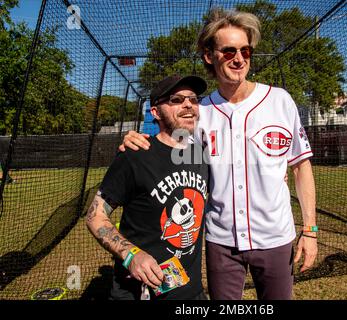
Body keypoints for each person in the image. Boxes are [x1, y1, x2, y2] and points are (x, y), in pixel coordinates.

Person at [120, 9, 317, 300]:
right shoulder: (201, 112)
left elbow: (301, 167)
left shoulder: (280, 100)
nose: (239, 58)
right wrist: (138, 139)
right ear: (209, 56)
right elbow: (169, 147)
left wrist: (310, 230)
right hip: (221, 241)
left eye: (245, 50)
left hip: (276, 237)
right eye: (228, 51)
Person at [86, 75, 209, 300]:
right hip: (138, 292)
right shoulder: (135, 155)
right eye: (176, 100)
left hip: (190, 292)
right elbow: (95, 216)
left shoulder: (201, 156)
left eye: (193, 99)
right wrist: (131, 255)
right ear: (155, 112)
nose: (188, 104)